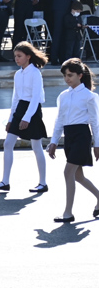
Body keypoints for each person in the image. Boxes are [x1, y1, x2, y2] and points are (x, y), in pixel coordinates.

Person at [0, 42, 48, 193]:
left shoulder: (35, 73)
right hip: (20, 108)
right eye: (15, 56)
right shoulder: (18, 74)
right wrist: (11, 119)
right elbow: (15, 98)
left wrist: (27, 118)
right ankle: (5, 181)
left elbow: (36, 98)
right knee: (8, 143)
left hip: (33, 110)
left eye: (19, 56)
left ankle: (43, 183)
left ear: (28, 56)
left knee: (36, 146)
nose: (16, 59)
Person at [47, 59, 99, 223]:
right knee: (78, 176)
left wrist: (97, 144)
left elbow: (95, 123)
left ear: (80, 75)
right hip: (69, 136)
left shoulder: (89, 96)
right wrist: (54, 142)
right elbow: (59, 120)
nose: (67, 78)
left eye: (70, 75)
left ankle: (68, 213)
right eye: (65, 75)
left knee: (68, 172)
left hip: (82, 136)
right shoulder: (63, 96)